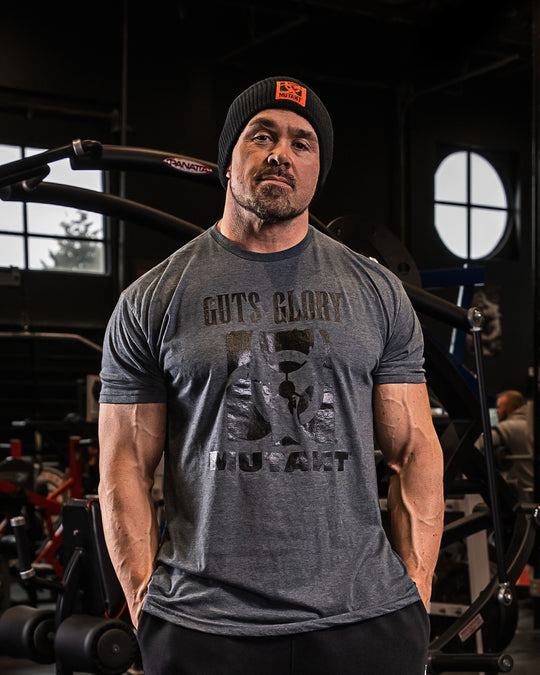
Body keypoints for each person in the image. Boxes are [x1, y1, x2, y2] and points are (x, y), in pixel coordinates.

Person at [98, 75, 445, 675]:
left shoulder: (378, 292)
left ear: (317, 169)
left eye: (302, 142)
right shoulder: (152, 298)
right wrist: (143, 600)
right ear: (229, 157)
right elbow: (123, 463)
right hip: (203, 625)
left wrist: (415, 588)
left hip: (366, 621)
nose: (281, 152)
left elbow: (414, 448)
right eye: (262, 135)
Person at [475, 389, 534, 498]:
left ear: (510, 407)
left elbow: (481, 444)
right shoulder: (531, 424)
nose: (497, 411)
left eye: (499, 407)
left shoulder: (509, 427)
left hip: (523, 491)